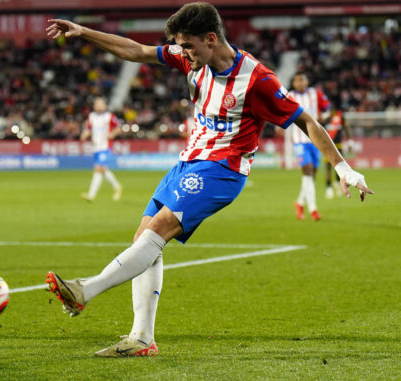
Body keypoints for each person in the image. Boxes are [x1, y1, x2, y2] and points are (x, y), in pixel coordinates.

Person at [44, 2, 373, 357]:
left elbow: (306, 120)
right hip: (187, 163)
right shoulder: (191, 58)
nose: (181, 52)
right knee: (144, 239)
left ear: (211, 39)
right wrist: (84, 32)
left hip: (222, 170)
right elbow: (137, 51)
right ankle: (142, 338)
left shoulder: (258, 80)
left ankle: (84, 291)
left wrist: (343, 168)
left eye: (187, 45)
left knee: (159, 229)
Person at [288, 72, 331, 220]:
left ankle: (299, 203)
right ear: (293, 83)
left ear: (307, 81)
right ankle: (313, 210)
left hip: (314, 140)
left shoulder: (315, 93)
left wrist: (322, 117)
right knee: (307, 172)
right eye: (296, 80)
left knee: (311, 176)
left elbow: (328, 108)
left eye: (302, 79)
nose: (299, 83)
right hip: (299, 140)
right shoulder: (288, 95)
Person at [80, 97, 123, 201]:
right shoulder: (92, 116)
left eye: (101, 103)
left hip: (105, 146)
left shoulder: (110, 116)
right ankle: (117, 186)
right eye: (97, 104)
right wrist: (84, 135)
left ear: (105, 105)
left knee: (98, 168)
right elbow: (89, 128)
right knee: (103, 169)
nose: (98, 105)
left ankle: (91, 195)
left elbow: (119, 127)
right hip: (96, 147)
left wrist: (113, 133)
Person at [323, 109, 352, 199]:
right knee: (328, 167)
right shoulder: (326, 120)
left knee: (339, 167)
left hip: (339, 146)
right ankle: (329, 188)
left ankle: (337, 183)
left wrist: (350, 141)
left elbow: (346, 129)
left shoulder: (340, 118)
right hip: (329, 147)